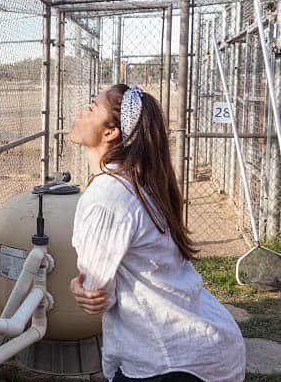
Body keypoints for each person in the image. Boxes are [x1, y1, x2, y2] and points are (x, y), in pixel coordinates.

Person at [67, 84, 245, 382]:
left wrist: (80, 287)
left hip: (170, 360)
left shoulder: (107, 196)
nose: (80, 111)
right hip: (203, 345)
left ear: (111, 132)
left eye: (91, 107)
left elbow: (97, 293)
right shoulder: (139, 181)